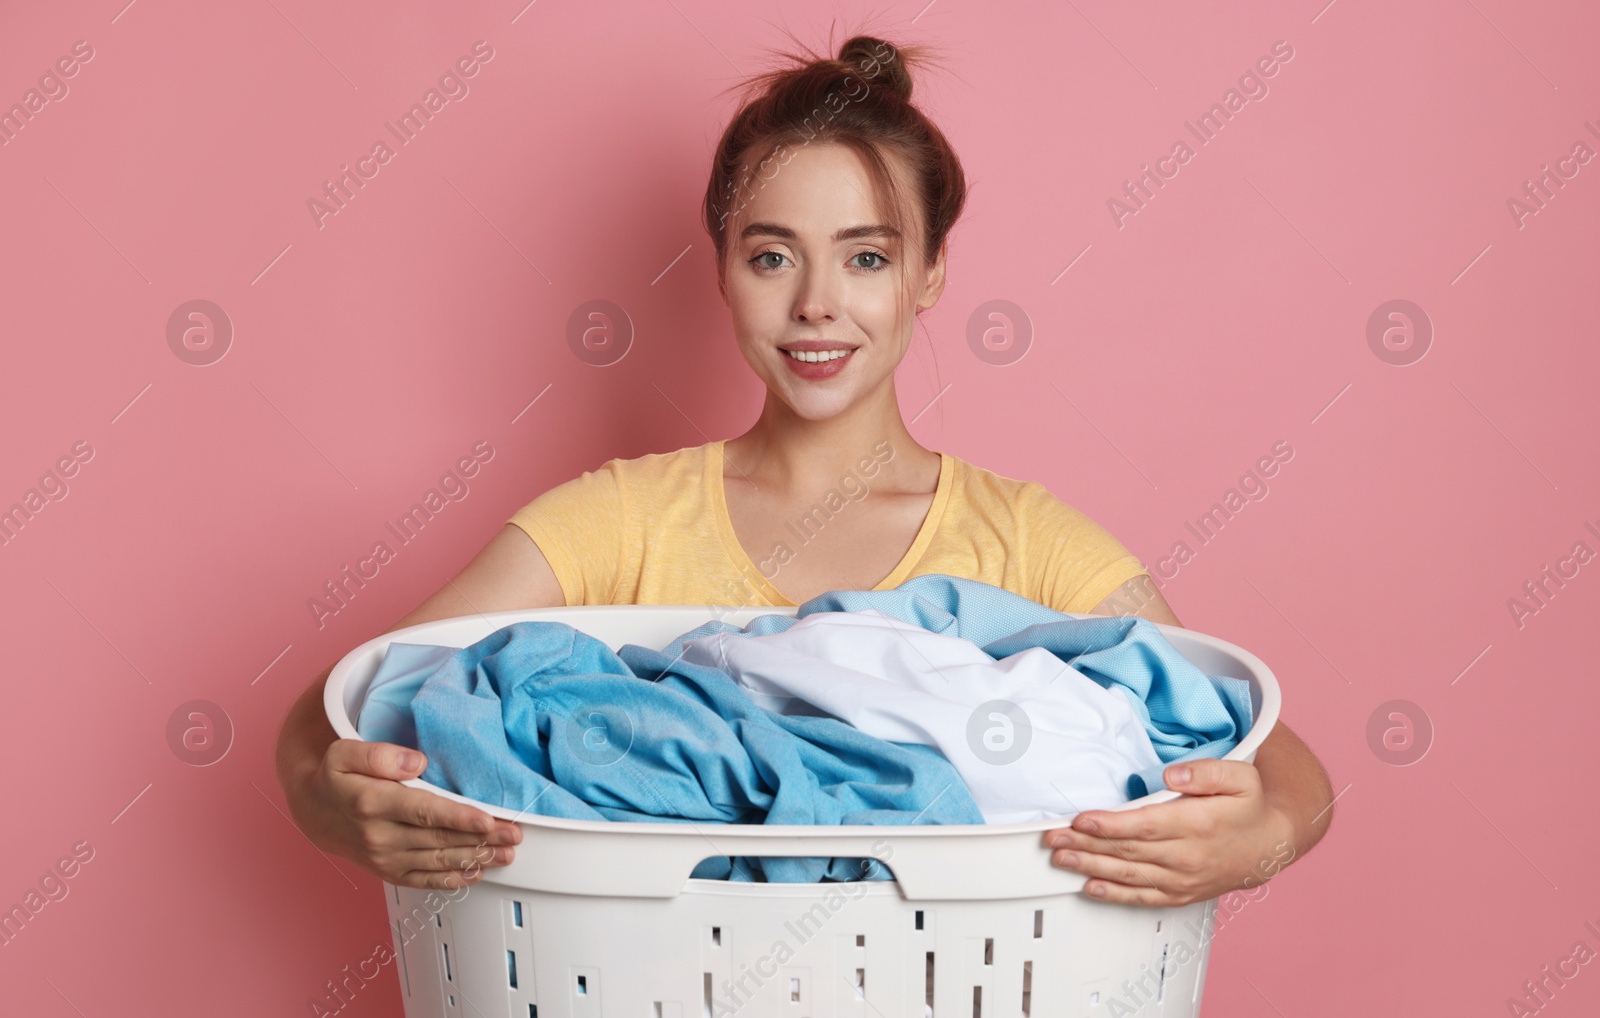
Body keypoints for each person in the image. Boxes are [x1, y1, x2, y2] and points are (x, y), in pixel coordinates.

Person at [275, 30, 1334, 907]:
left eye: (867, 257)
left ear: (929, 275)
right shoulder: (618, 521)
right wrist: (331, 805)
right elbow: (349, 696)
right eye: (771, 254)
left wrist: (1259, 836)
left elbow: (1276, 760)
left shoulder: (1028, 543)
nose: (817, 302)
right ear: (724, 268)